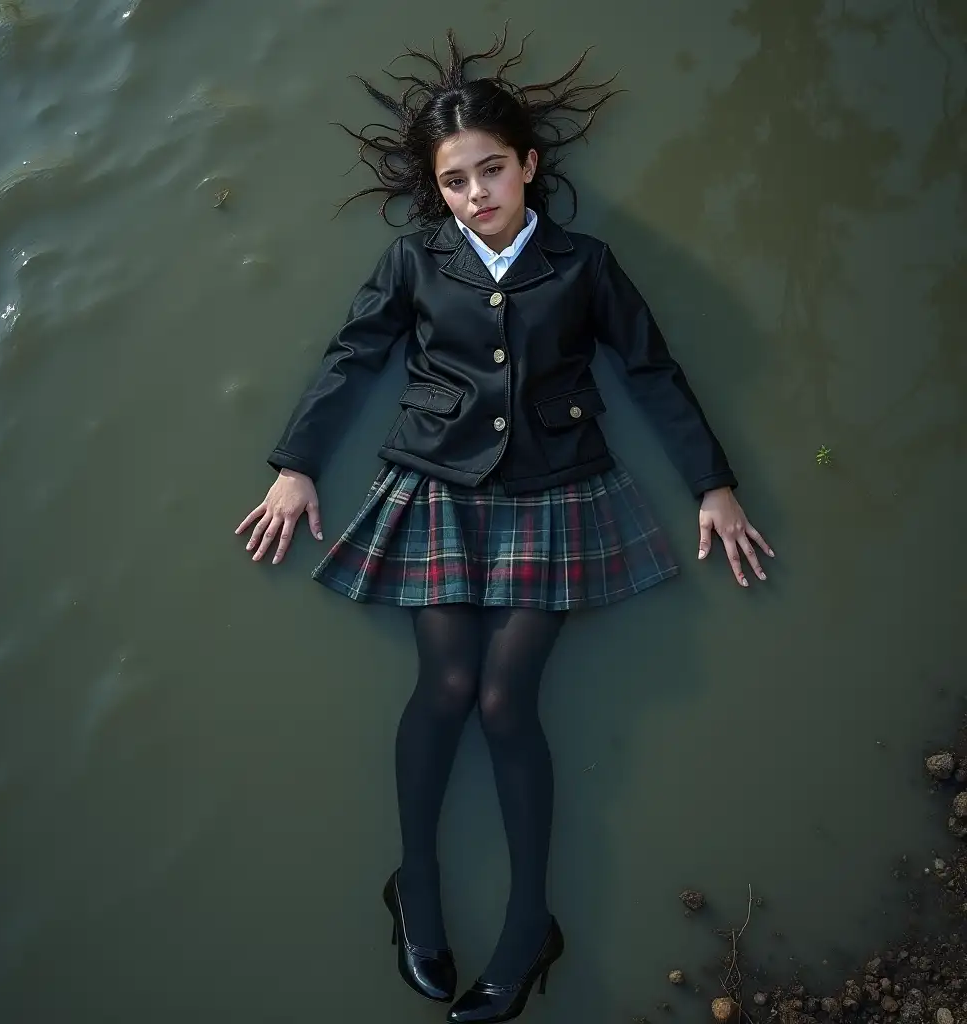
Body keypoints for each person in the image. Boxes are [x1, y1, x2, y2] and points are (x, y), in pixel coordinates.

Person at [236, 28, 773, 1024]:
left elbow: (649, 370)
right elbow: (352, 357)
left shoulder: (584, 264)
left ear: (528, 164)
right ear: (435, 192)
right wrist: (296, 466)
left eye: (492, 169)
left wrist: (713, 484)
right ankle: (418, 888)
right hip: (435, 482)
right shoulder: (413, 260)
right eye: (455, 181)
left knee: (501, 699)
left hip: (559, 489)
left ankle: (530, 924)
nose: (476, 194)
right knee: (441, 684)